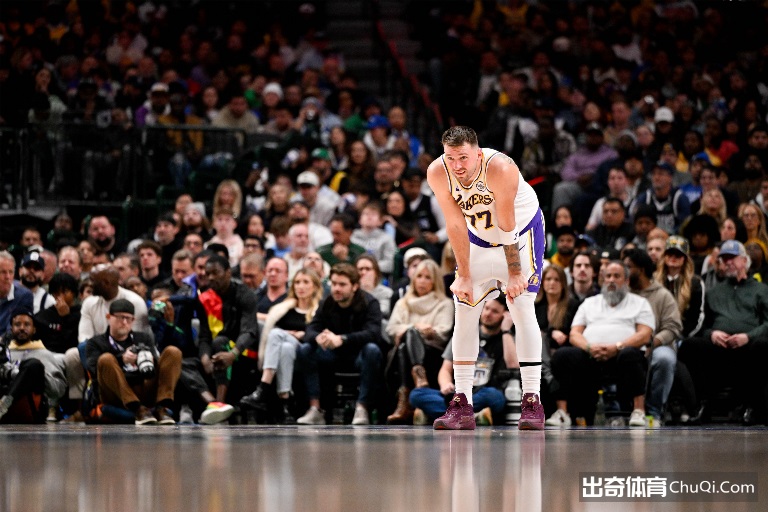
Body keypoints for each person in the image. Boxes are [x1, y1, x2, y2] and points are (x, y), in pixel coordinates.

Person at [426, 126, 546, 430]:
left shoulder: (500, 168)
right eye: (451, 158)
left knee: (522, 306)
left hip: (520, 235)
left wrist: (515, 273)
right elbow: (455, 225)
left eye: (463, 158)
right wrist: (464, 275)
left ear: (478, 155)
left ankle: (532, 400)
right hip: (478, 238)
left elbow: (507, 225)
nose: (457, 165)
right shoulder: (437, 173)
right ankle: (462, 403)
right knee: (464, 308)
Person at [549, 261, 654, 427]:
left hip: (622, 356)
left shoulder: (640, 303)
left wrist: (617, 347)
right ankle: (563, 413)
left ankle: (638, 411)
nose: (611, 280)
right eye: (608, 276)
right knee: (562, 355)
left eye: (617, 276)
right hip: (591, 355)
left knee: (631, 355)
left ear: (626, 281)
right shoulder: (589, 303)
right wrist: (589, 347)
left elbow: (645, 334)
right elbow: (575, 334)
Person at [677, 240, 768, 425]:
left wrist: (748, 336)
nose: (728, 263)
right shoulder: (714, 292)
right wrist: (712, 334)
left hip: (749, 345)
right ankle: (702, 405)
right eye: (724, 259)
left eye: (732, 258)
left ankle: (753, 407)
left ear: (745, 261)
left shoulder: (761, 290)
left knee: (762, 346)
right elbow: (702, 324)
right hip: (719, 345)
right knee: (690, 345)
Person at [295, 263, 384, 426]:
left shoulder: (370, 303)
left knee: (372, 350)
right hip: (332, 355)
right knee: (306, 348)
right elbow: (310, 329)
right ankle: (315, 409)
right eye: (334, 283)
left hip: (358, 355)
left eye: (342, 284)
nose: (336, 289)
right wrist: (319, 337)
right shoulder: (327, 302)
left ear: (355, 286)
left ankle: (362, 408)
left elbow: (373, 333)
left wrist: (343, 339)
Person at [410, 297, 514, 426]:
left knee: (495, 397)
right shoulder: (464, 333)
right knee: (416, 394)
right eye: (486, 308)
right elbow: (445, 369)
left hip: (483, 392)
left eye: (495, 311)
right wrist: (445, 384)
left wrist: (506, 330)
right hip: (457, 395)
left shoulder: (507, 338)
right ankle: (472, 416)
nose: (488, 314)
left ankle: (445, 414)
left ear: (505, 315)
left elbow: (513, 365)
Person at [240, 268, 324, 423]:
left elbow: (320, 333)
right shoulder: (284, 308)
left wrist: (302, 334)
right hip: (285, 353)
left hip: (307, 352)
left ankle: (263, 387)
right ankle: (285, 402)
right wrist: (288, 334)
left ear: (315, 286)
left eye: (306, 282)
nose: (301, 286)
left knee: (276, 333)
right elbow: (269, 324)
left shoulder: (320, 310)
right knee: (285, 347)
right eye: (297, 282)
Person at [85, 299, 182, 425]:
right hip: (115, 393)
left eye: (128, 319)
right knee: (105, 359)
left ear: (133, 320)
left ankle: (162, 407)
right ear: (109, 317)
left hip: (143, 386)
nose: (124, 322)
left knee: (173, 352)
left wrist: (146, 359)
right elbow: (94, 369)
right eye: (120, 317)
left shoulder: (143, 338)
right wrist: (121, 359)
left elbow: (154, 366)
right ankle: (137, 408)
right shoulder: (95, 342)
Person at [385, 259, 454, 424]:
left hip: (433, 352)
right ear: (413, 279)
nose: (422, 281)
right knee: (407, 340)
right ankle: (418, 376)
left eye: (427, 277)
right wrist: (416, 327)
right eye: (419, 276)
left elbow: (443, 331)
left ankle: (404, 400)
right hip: (403, 352)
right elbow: (391, 329)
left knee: (409, 336)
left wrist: (423, 332)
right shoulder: (403, 303)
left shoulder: (445, 304)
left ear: (435, 281)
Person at [623, 248, 682, 425]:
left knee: (664, 359)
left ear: (641, 270)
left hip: (657, 345)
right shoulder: (623, 293)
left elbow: (673, 327)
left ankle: (654, 412)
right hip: (626, 345)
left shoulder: (662, 295)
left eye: (628, 267)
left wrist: (652, 342)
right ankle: (621, 410)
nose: (624, 271)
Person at [196, 254, 260, 404]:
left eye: (215, 273)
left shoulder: (245, 294)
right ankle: (210, 401)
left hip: (242, 352)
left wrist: (233, 353)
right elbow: (204, 336)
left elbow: (249, 331)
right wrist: (205, 359)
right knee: (184, 363)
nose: (211, 278)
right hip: (215, 353)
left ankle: (220, 403)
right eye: (208, 274)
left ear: (228, 273)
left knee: (220, 342)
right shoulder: (204, 299)